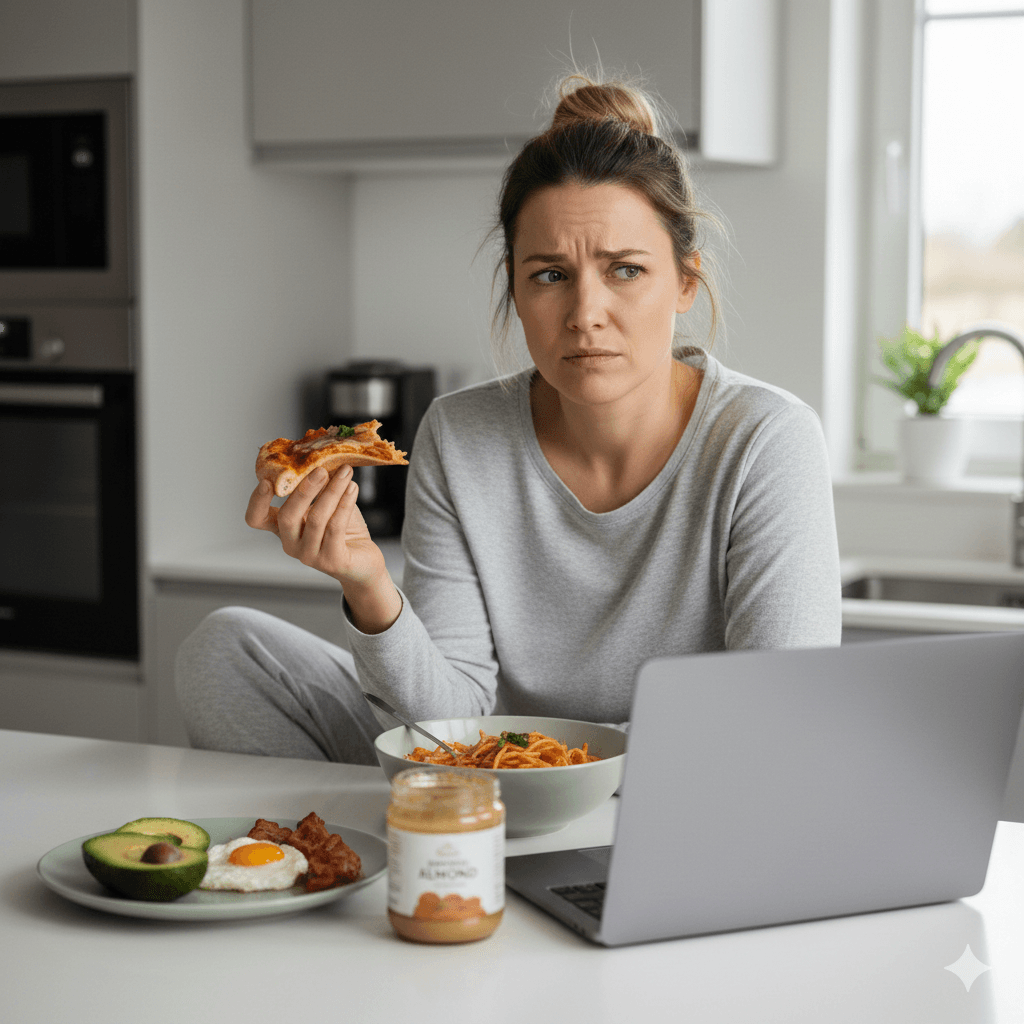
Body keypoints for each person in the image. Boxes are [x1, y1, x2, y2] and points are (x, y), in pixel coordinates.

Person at [176, 75, 842, 764]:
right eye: (550, 275)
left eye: (625, 270)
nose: (586, 313)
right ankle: (357, 858)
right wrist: (369, 583)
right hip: (482, 771)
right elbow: (452, 718)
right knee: (225, 651)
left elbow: (775, 716)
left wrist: (555, 770)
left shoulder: (765, 439)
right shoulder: (460, 434)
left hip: (679, 779)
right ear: (516, 290)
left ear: (684, 283)